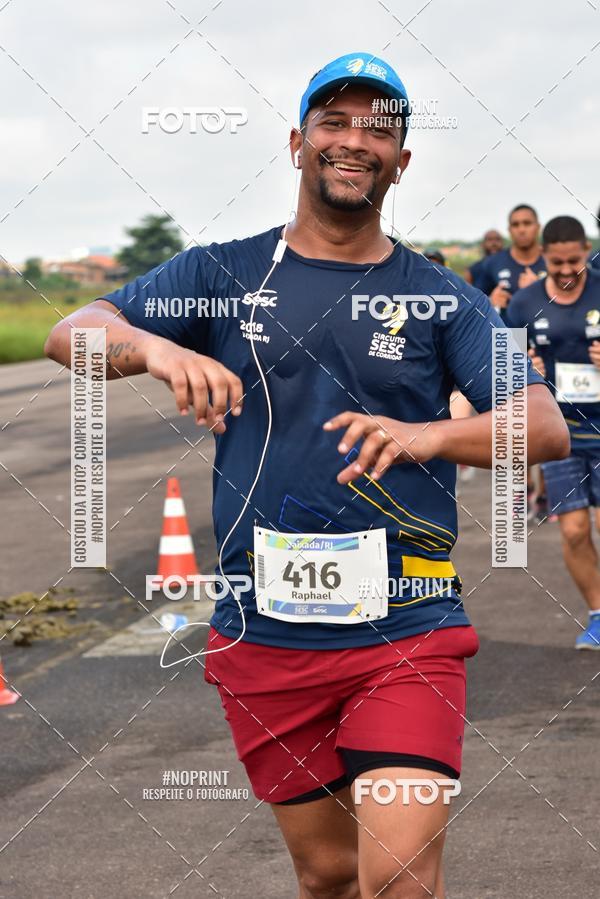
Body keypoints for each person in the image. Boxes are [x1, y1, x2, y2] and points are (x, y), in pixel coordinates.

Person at [45, 52, 569, 899]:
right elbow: (73, 333)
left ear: (403, 160)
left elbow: (541, 425)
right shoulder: (220, 274)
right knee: (326, 873)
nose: (354, 139)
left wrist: (428, 434)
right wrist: (158, 345)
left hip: (407, 626)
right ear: (298, 143)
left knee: (398, 874)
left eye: (379, 129)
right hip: (266, 633)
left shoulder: (436, 295)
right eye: (335, 122)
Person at [507, 215, 600, 650]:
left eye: (574, 261)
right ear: (544, 256)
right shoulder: (524, 304)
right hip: (560, 431)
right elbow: (501, 370)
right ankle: (598, 616)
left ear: (587, 251)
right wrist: (526, 369)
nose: (566, 270)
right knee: (574, 530)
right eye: (557, 262)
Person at [473, 205, 546, 316]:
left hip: (546, 330)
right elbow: (473, 305)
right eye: (515, 225)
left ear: (538, 227)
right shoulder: (493, 263)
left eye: (527, 223)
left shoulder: (553, 261)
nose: (521, 230)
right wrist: (490, 302)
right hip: (509, 332)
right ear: (509, 230)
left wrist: (538, 290)